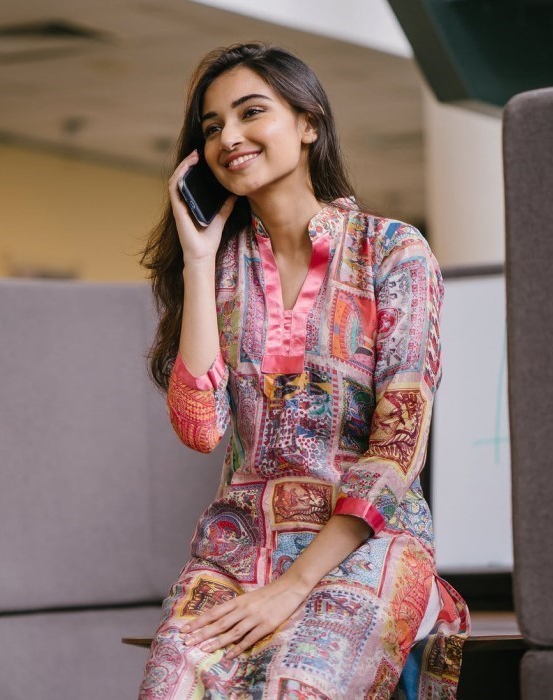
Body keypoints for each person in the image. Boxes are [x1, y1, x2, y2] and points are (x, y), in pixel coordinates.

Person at [138, 42, 470, 699]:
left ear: (308, 123)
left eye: (250, 112)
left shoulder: (391, 251)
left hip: (365, 544)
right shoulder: (220, 272)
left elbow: (397, 449)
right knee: (170, 682)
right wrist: (198, 259)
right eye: (212, 127)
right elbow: (200, 430)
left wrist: (293, 586)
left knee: (300, 685)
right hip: (239, 548)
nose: (229, 137)